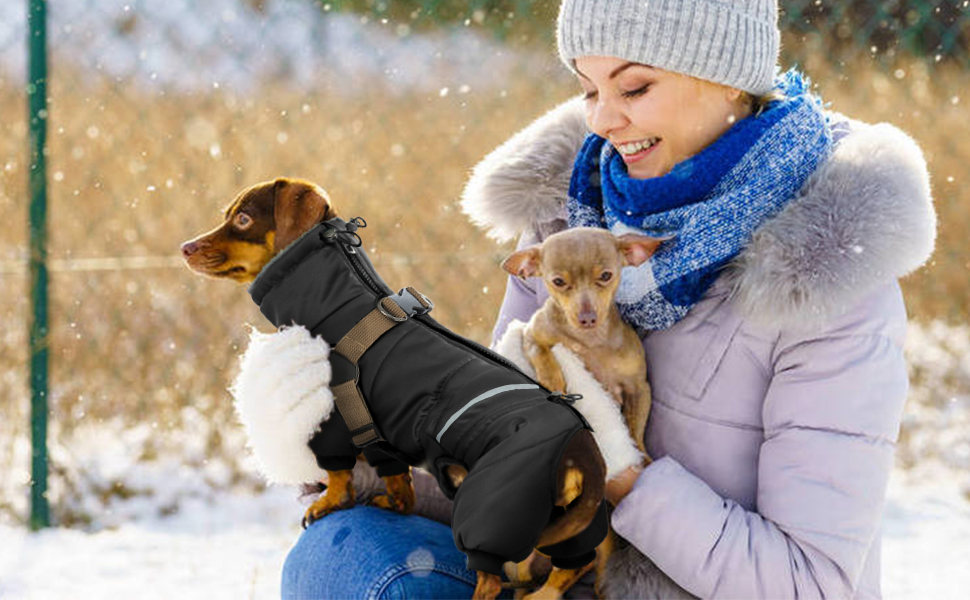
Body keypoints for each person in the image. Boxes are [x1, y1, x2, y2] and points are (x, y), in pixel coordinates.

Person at [280, 0, 936, 597]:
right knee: (346, 552)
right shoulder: (570, 222)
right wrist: (379, 468)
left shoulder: (823, 274)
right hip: (560, 572)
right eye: (588, 88)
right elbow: (503, 463)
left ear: (729, 75)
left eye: (635, 86)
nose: (602, 118)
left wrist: (622, 471)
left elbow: (814, 585)